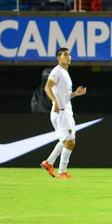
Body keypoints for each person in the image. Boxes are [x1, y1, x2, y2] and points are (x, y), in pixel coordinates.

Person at [40, 47, 87, 179]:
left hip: (66, 110)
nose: (68, 57)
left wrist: (75, 94)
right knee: (70, 142)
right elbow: (47, 87)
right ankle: (62, 172)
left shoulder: (65, 73)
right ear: (58, 58)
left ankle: (49, 163)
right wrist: (54, 101)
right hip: (60, 112)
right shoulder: (57, 71)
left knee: (65, 140)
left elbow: (64, 96)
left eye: (69, 54)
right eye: (65, 55)